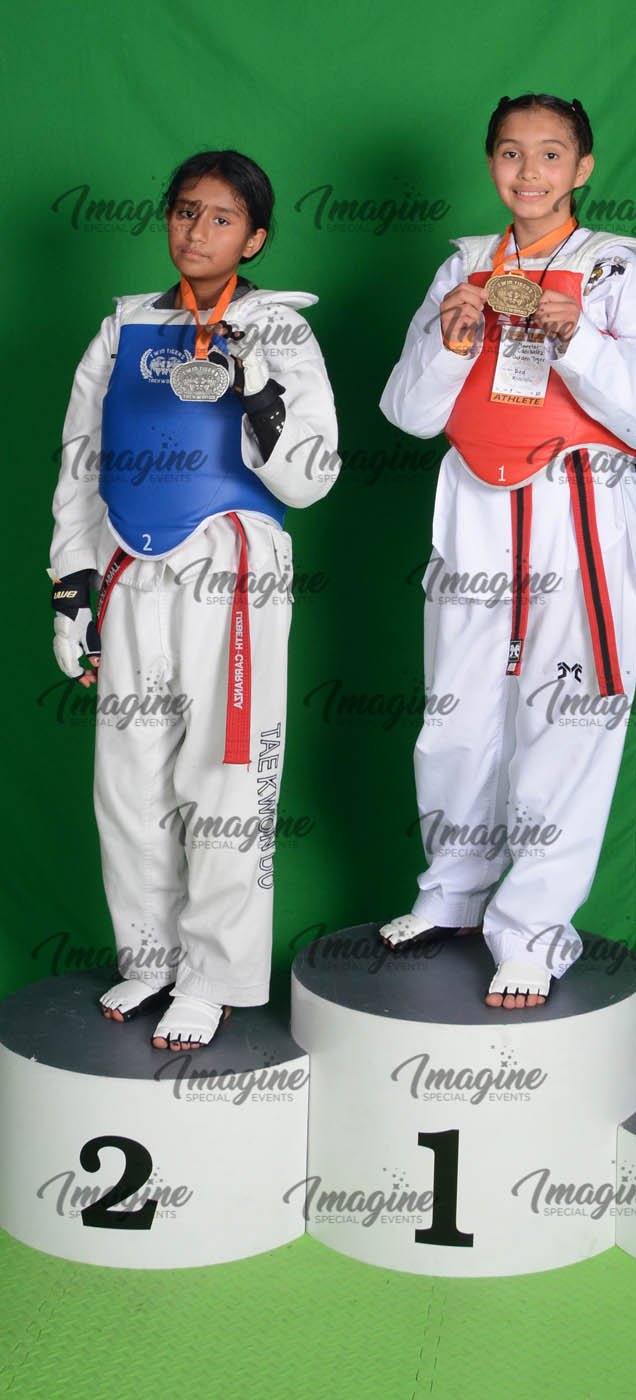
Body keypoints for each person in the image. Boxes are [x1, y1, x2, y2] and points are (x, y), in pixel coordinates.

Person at [379, 94, 636, 1009]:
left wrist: (577, 337)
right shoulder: (463, 268)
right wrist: (450, 341)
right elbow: (408, 412)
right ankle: (451, 893)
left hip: (576, 505)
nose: (530, 171)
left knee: (568, 718)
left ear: (582, 169)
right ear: (491, 164)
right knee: (456, 713)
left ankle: (533, 930)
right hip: (476, 505)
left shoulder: (611, 271)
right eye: (512, 153)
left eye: (551, 154)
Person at [49, 150, 339, 1049]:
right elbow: (81, 464)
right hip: (130, 562)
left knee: (225, 773)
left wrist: (258, 390)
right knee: (127, 780)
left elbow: (312, 478)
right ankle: (150, 958)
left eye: (220, 217)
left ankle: (214, 976)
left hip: (232, 565)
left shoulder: (279, 330)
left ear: (254, 237)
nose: (196, 230)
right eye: (184, 211)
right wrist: (72, 587)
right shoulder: (122, 329)